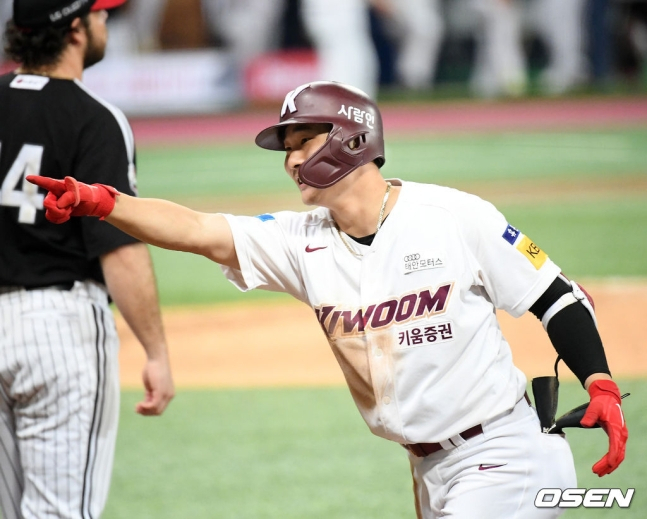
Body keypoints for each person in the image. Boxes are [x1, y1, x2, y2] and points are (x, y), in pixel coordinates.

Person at [29, 81, 628, 517]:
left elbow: (556, 296)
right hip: (427, 469)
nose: (289, 161)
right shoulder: (299, 242)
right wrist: (103, 202)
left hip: (503, 453)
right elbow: (197, 229)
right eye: (285, 148)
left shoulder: (453, 216)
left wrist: (598, 382)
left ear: (350, 138)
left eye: (302, 143)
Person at [0, 1, 175, 518]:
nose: (105, 24)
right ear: (74, 29)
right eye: (100, 16)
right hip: (57, 331)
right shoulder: (94, 119)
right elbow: (119, 246)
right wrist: (156, 351)